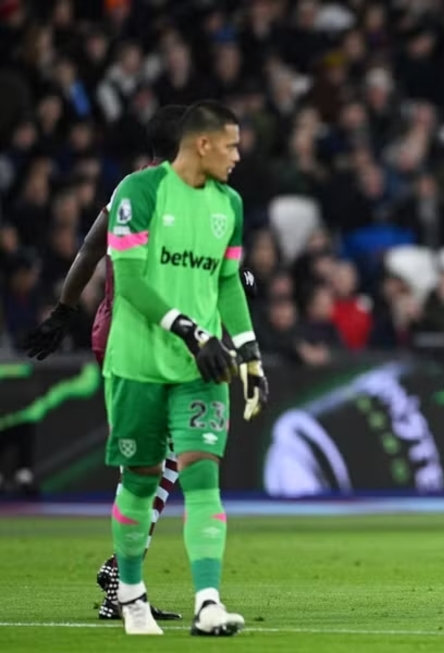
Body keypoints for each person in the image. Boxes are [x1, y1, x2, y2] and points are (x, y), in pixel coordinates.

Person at [23, 105, 258, 622]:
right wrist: (63, 310)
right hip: (140, 333)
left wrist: (64, 311)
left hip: (151, 332)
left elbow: (95, 249)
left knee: (173, 458)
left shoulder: (180, 195)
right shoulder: (143, 191)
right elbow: (99, 253)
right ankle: (122, 576)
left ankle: (125, 573)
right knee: (165, 459)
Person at [100, 100, 268, 636]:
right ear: (201, 144)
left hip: (202, 367)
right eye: (231, 145)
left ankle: (208, 603)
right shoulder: (139, 193)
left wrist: (249, 352)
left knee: (201, 476)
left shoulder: (230, 204)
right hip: (137, 364)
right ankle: (130, 595)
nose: (238, 156)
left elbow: (226, 283)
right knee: (142, 481)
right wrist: (192, 331)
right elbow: (128, 280)